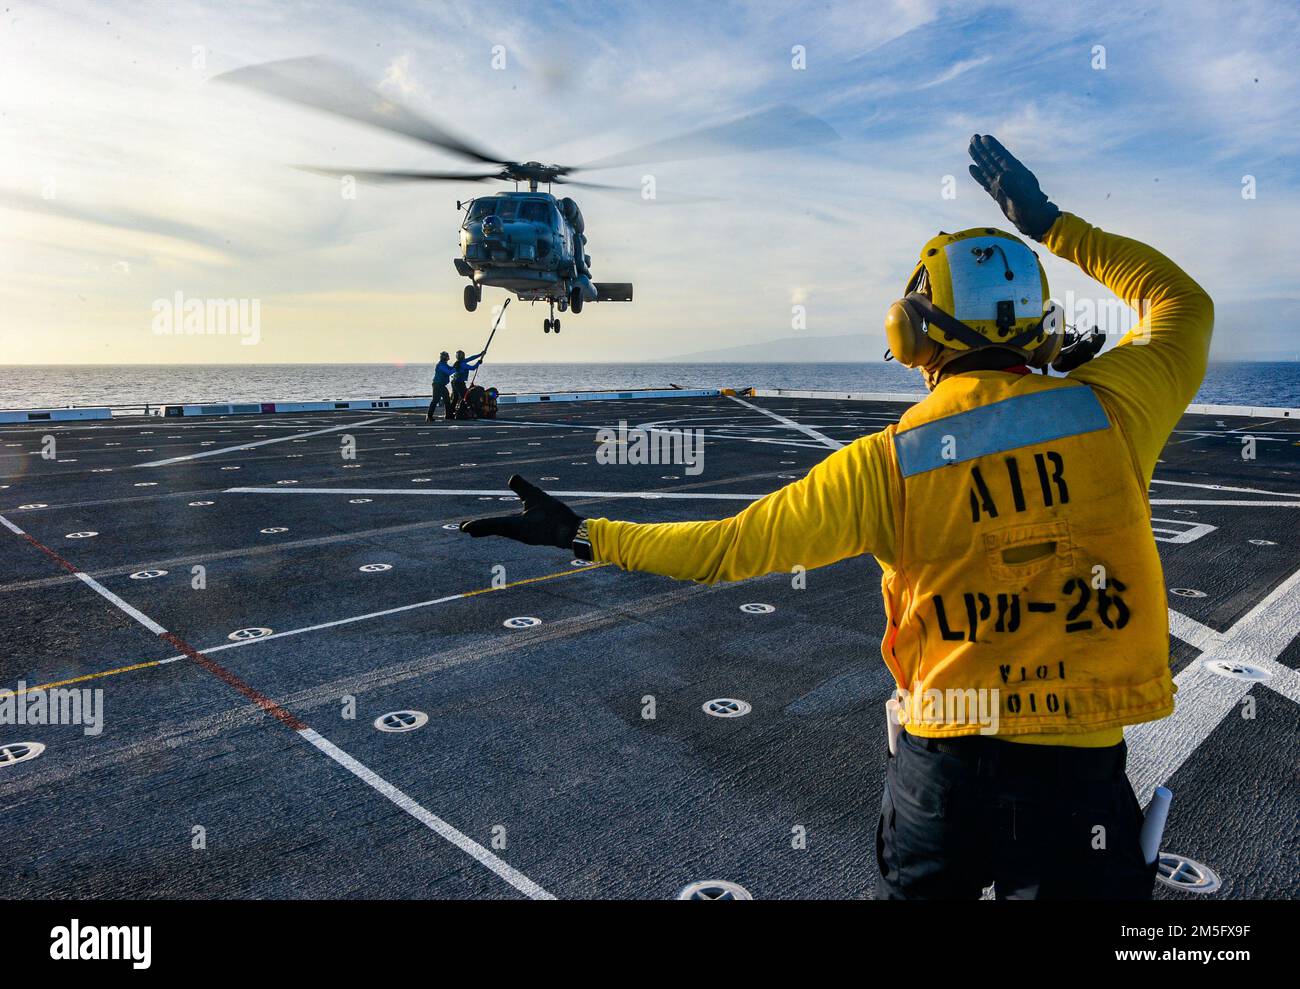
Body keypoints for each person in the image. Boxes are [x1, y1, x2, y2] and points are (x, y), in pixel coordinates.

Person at [459, 135, 1213, 899]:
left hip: (946, 774)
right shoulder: (1116, 407)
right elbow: (1183, 302)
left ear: (911, 334)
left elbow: (725, 549)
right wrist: (1050, 221)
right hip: (1077, 778)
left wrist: (583, 533)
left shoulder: (888, 464)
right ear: (1044, 327)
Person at [451, 348, 485, 415]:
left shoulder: (459, 362)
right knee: (465, 397)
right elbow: (473, 368)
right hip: (459, 383)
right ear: (462, 356)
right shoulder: (462, 364)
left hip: (454, 382)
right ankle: (462, 411)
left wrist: (480, 354)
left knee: (455, 398)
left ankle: (451, 412)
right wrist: (478, 363)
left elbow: (471, 358)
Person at [427, 351, 455, 422]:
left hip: (441, 385)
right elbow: (449, 372)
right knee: (435, 400)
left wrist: (456, 366)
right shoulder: (441, 365)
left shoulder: (444, 364)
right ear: (444, 357)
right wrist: (456, 368)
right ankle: (429, 416)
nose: (448, 357)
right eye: (447, 356)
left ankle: (448, 415)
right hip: (437, 385)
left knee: (447, 399)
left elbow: (450, 368)